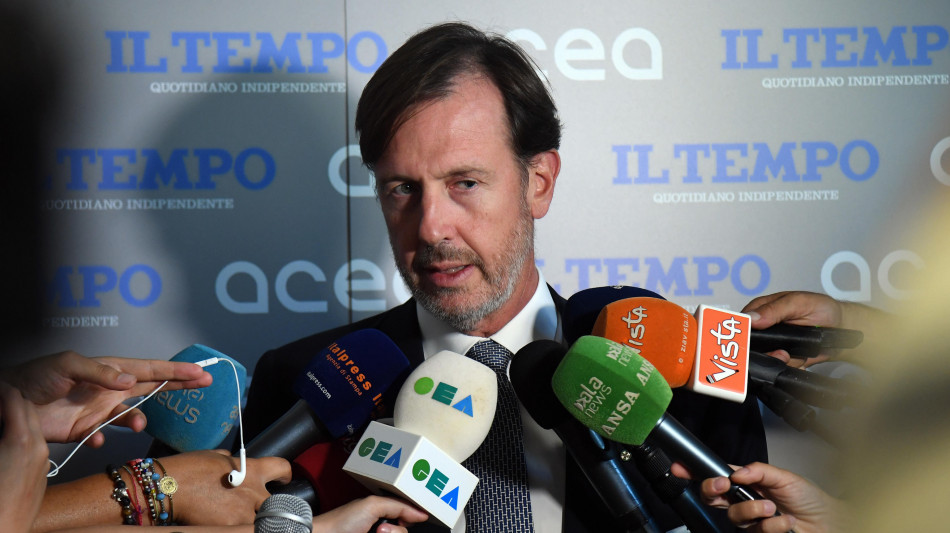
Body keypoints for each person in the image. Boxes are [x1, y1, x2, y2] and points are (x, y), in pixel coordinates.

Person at [242, 21, 768, 532]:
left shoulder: (684, 386)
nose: (430, 227)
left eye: (465, 183)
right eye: (402, 188)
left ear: (538, 182)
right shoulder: (299, 388)